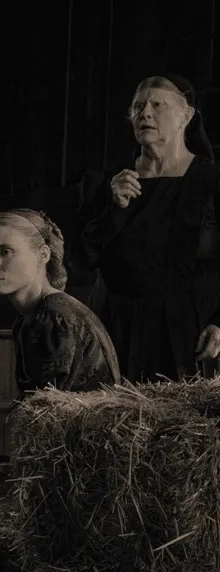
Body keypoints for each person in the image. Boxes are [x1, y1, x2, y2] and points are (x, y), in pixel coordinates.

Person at [79, 74, 220, 382]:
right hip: (117, 329)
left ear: (187, 115)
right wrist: (115, 209)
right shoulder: (108, 183)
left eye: (158, 105)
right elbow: (82, 258)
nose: (145, 114)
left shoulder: (211, 181)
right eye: (138, 107)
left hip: (187, 333)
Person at [0, 208, 120, 394]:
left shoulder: (54, 318)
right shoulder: (31, 317)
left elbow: (46, 409)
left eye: (5, 251)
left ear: (44, 254)